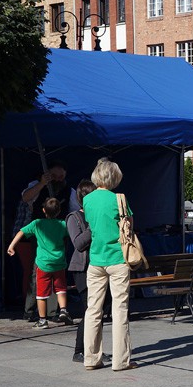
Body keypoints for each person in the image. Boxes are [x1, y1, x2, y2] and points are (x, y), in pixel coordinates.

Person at [82, 158, 136, 371]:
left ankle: (91, 358)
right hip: (118, 259)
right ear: (114, 177)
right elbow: (130, 227)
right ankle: (121, 361)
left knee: (93, 310)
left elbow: (91, 225)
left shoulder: (87, 200)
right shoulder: (119, 199)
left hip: (96, 260)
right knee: (120, 309)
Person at [7, 197, 70, 329]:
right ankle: (63, 310)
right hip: (59, 263)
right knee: (60, 288)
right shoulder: (63, 224)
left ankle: (42, 320)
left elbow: (21, 231)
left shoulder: (37, 223)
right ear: (59, 211)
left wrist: (12, 246)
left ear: (43, 210)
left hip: (43, 264)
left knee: (41, 293)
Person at [67, 180, 110, 364]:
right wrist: (93, 227)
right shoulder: (74, 218)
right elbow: (78, 243)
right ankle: (80, 350)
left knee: (101, 308)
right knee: (90, 309)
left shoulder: (99, 214)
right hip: (83, 269)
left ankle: (95, 349)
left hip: (101, 265)